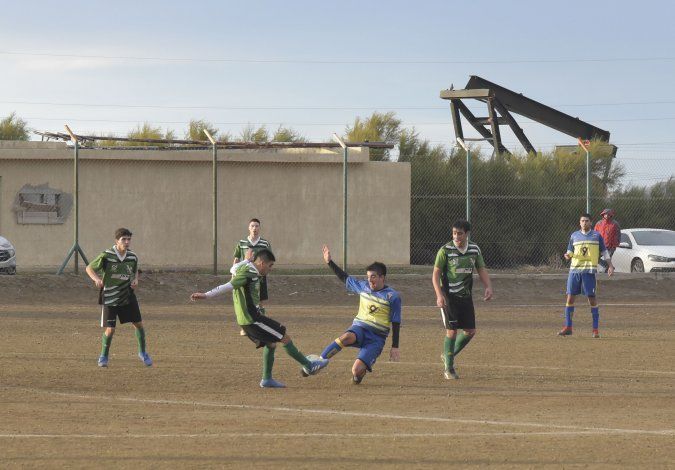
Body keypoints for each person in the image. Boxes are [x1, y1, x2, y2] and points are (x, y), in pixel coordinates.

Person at [191, 248, 328, 388]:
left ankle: (266, 379)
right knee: (284, 336)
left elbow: (233, 268)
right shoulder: (249, 274)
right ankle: (309, 365)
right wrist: (206, 295)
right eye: (270, 265)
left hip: (247, 319)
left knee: (271, 343)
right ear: (262, 263)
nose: (270, 269)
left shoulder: (247, 268)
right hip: (252, 319)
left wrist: (246, 260)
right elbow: (228, 285)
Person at [316, 245, 401, 385]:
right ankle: (319, 362)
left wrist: (395, 346)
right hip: (360, 328)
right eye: (368, 277)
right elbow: (344, 278)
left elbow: (396, 322)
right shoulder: (363, 287)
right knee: (347, 336)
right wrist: (329, 262)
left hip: (376, 338)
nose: (370, 280)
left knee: (356, 370)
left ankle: (359, 374)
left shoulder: (393, 297)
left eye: (373, 277)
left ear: (382, 277)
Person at [432, 220, 492, 380]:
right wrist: (439, 295)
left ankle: (448, 355)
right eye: (454, 233)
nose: (456, 237)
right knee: (452, 331)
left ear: (467, 234)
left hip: (465, 296)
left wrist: (488, 286)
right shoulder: (445, 250)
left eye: (459, 233)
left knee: (470, 331)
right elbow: (435, 274)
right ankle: (449, 369)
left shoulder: (474, 249)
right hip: (448, 297)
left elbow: (481, 269)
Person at [85, 228, 152, 368]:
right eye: (124, 239)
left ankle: (143, 353)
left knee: (138, 324)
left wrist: (136, 280)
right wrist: (96, 279)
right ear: (117, 241)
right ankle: (103, 356)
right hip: (110, 297)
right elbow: (89, 268)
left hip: (127, 295)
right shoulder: (106, 255)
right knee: (110, 329)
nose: (127, 242)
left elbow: (135, 271)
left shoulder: (132, 257)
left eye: (129, 239)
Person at [558, 213, 615, 338]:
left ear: (591, 222)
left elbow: (605, 252)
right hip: (574, 271)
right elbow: (570, 251)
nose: (584, 223)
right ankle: (568, 327)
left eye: (587, 221)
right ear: (580, 223)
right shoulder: (574, 235)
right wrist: (567, 255)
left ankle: (595, 330)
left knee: (592, 299)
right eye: (582, 221)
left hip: (589, 272)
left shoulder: (596, 236)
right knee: (570, 298)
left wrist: (610, 265)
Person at [233, 218, 272, 335]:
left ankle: (262, 325)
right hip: (246, 277)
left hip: (260, 276)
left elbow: (269, 260)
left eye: (257, 226)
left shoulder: (265, 243)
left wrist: (267, 271)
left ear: (259, 228)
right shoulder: (242, 243)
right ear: (249, 228)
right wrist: (233, 274)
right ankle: (246, 327)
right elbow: (236, 258)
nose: (254, 228)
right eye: (252, 226)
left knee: (260, 301)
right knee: (246, 301)